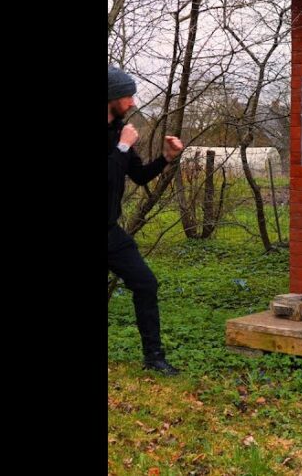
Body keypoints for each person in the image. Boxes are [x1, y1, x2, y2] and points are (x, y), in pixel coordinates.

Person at [108, 66, 184, 375]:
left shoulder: (119, 132)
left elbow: (137, 177)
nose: (133, 102)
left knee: (145, 283)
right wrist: (122, 146)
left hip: (110, 232)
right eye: (128, 95)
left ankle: (154, 357)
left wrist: (166, 158)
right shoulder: (120, 138)